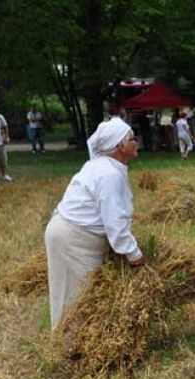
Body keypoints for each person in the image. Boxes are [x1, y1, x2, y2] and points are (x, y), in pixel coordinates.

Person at [44, 119, 144, 329]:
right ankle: (69, 350)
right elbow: (115, 224)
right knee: (77, 297)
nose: (137, 142)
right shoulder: (108, 175)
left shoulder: (104, 167)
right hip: (73, 240)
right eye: (133, 138)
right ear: (120, 146)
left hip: (70, 235)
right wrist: (135, 255)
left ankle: (73, 346)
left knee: (80, 295)